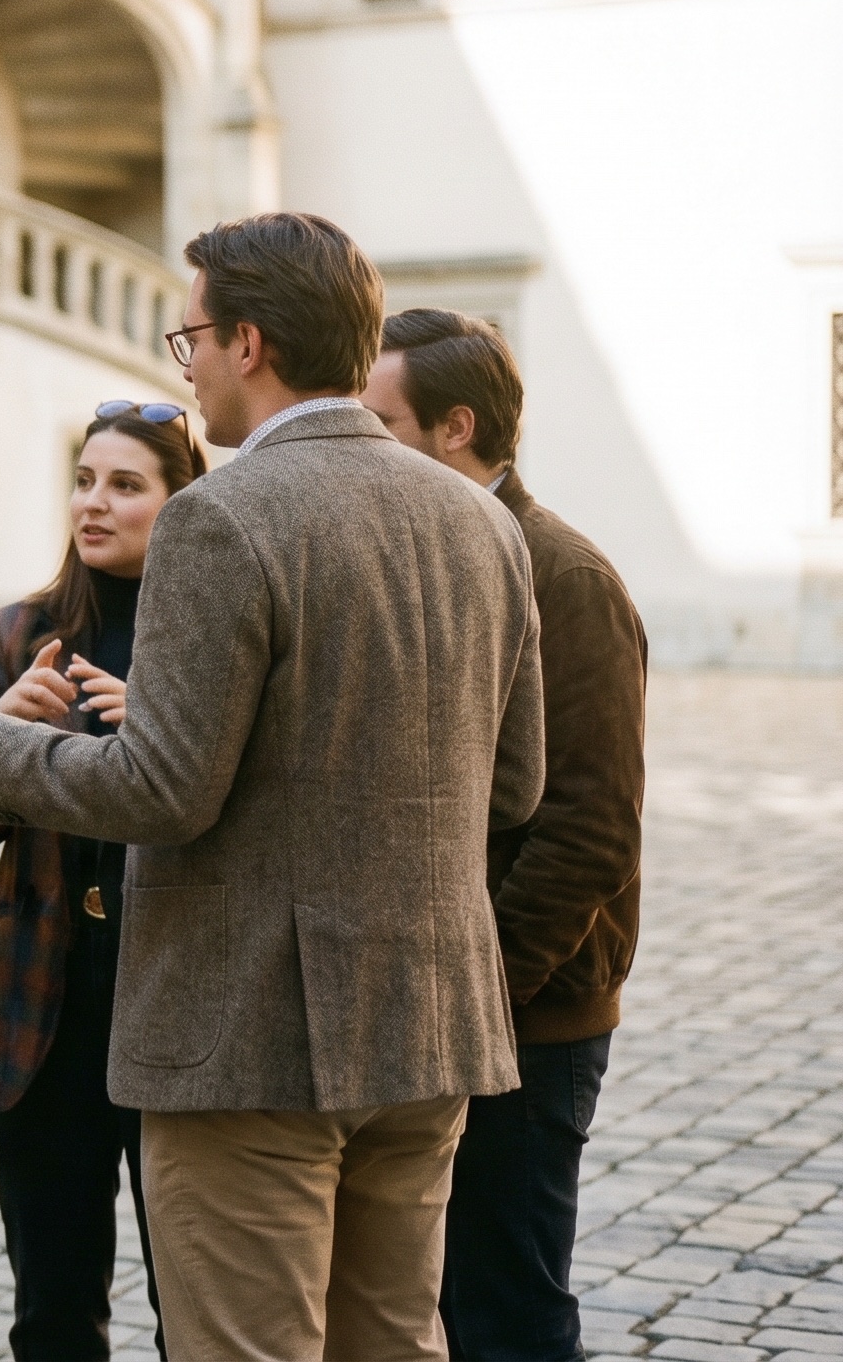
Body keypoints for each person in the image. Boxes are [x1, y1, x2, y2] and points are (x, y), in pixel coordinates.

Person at [0, 212, 545, 1358]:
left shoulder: (221, 515)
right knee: (393, 1343)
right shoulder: (478, 519)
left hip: (252, 1039)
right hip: (425, 1026)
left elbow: (162, 791)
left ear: (247, 343)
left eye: (191, 340)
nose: (190, 366)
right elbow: (510, 788)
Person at [362, 309, 647, 1362]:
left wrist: (482, 992)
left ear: (456, 428)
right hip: (428, 1004)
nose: (361, 447)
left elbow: (590, 827)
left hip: (527, 1018)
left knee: (507, 1312)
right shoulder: (411, 552)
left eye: (382, 425)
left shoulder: (563, 576)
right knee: (423, 1305)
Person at [0, 400, 206, 1359]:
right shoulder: (22, 632)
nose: (94, 503)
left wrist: (164, 737)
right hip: (40, 1006)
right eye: (84, 481)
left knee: (196, 1310)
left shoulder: (211, 634)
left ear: (181, 503)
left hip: (175, 1002)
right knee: (52, 1310)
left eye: (126, 485)